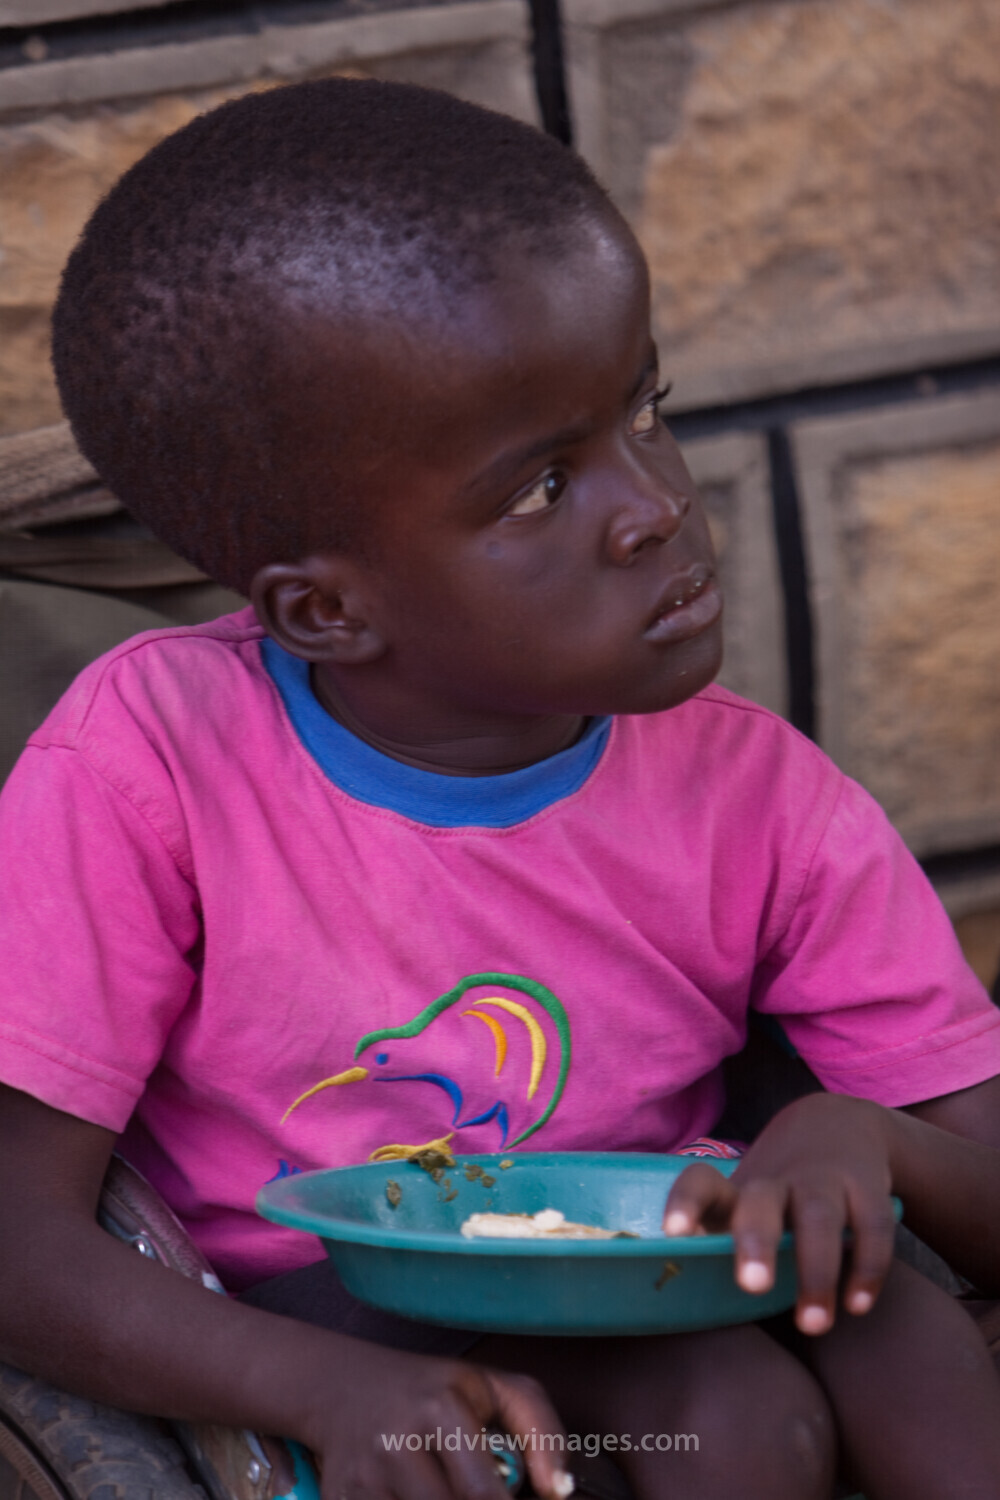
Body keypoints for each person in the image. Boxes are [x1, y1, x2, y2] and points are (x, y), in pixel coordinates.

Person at [0, 78, 998, 1500]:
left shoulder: (765, 799)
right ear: (327, 613)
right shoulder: (151, 761)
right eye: (542, 487)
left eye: (645, 407)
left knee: (876, 1323)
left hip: (658, 1288)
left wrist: (866, 1142)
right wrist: (322, 1388)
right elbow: (17, 1235)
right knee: (718, 1416)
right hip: (298, 1324)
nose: (655, 500)